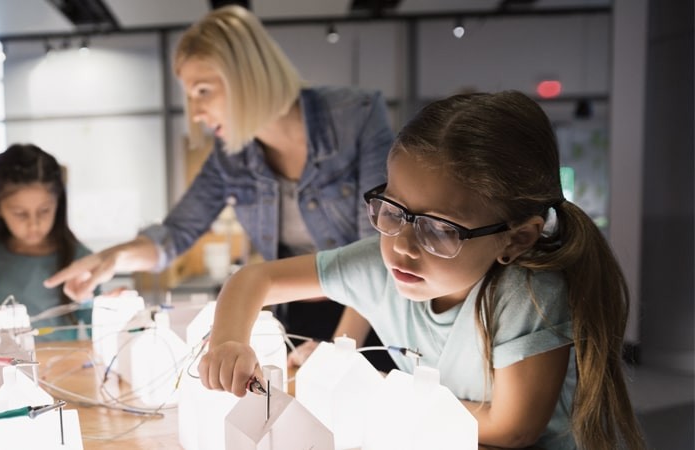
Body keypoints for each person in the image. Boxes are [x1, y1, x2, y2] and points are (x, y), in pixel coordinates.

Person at [197, 91, 646, 450]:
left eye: (440, 229)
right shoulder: (380, 258)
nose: (402, 247)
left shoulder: (527, 293)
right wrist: (229, 341)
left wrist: (372, 387)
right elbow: (255, 279)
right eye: (393, 209)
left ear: (516, 239)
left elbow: (512, 429)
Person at [43, 5, 396, 369]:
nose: (195, 111)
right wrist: (114, 256)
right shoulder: (232, 157)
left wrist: (342, 348)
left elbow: (377, 251)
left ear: (248, 78)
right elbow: (175, 234)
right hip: (299, 313)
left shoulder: (356, 117)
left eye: (203, 90)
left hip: (368, 314)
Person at [0, 144, 93, 341]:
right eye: (20, 213)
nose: (34, 224)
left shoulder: (79, 259)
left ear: (58, 203)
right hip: (1, 367)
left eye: (44, 210)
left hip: (60, 367)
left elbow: (96, 328)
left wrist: (104, 305)